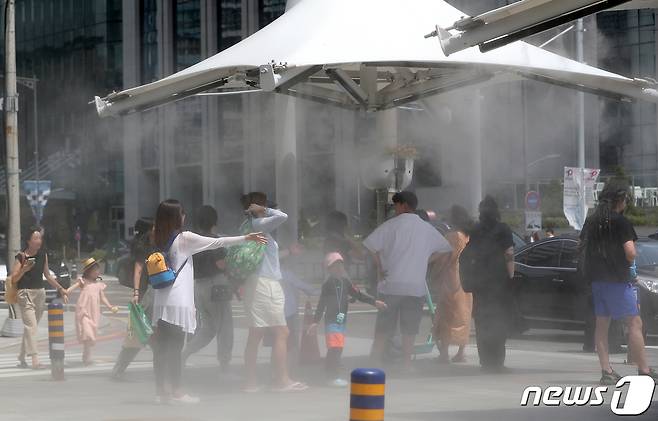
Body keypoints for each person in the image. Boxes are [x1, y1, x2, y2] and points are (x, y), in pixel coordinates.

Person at [150, 199, 266, 404]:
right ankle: (177, 391)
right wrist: (247, 237)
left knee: (162, 347)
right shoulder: (184, 238)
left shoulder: (157, 237)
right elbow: (216, 242)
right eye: (182, 213)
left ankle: (162, 391)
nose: (185, 217)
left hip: (161, 299)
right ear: (177, 217)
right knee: (175, 347)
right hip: (176, 300)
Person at [580, 180, 658, 384]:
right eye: (626, 199)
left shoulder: (592, 220)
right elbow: (630, 253)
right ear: (620, 199)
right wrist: (630, 257)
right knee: (634, 323)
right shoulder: (620, 222)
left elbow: (582, 246)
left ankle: (606, 371)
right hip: (618, 280)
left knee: (602, 325)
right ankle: (644, 370)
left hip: (596, 281)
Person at [363, 191, 452, 369]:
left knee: (384, 326)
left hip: (390, 286)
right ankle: (406, 364)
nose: (395, 208)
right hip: (415, 287)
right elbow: (446, 249)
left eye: (396, 205)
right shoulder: (426, 229)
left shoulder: (390, 226)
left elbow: (369, 245)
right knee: (409, 329)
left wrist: (380, 267)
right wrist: (426, 260)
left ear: (403, 205)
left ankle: (374, 360)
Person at [241, 192, 308, 393]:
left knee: (256, 333)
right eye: (266, 206)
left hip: (255, 283)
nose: (269, 209)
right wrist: (264, 211)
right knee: (282, 332)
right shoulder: (259, 224)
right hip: (266, 284)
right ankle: (282, 380)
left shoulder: (246, 226)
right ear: (258, 207)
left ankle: (250, 382)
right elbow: (282, 216)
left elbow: (268, 257)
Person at [308, 252, 386, 387]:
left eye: (340, 265)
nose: (339, 268)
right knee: (336, 348)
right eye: (335, 265)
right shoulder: (328, 284)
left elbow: (358, 294)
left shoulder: (345, 282)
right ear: (329, 268)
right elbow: (322, 303)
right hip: (332, 320)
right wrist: (315, 321)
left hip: (341, 319)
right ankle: (332, 376)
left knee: (336, 347)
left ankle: (329, 372)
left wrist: (374, 302)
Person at [182, 206, 234, 372]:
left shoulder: (193, 240)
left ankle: (185, 352)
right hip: (216, 285)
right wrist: (232, 269)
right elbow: (221, 264)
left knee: (208, 328)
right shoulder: (214, 240)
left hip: (198, 286)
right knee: (224, 327)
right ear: (214, 221)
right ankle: (224, 364)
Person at [468, 196, 517, 373]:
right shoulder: (503, 229)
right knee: (499, 319)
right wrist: (511, 276)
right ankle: (497, 361)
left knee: (482, 320)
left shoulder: (475, 229)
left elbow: (471, 253)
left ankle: (485, 361)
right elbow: (509, 253)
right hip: (499, 281)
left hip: (480, 281)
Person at [10, 226, 69, 369]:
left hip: (39, 294)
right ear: (28, 241)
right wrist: (24, 269)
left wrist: (60, 288)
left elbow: (47, 275)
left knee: (30, 328)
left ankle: (21, 357)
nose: (39, 241)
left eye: (40, 238)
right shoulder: (21, 257)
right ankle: (35, 359)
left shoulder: (43, 255)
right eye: (35, 238)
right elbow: (13, 278)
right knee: (32, 327)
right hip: (25, 294)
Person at [112, 218, 155, 379]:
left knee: (145, 332)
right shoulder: (142, 247)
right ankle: (119, 369)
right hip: (145, 293)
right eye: (153, 226)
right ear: (147, 229)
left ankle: (119, 369)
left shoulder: (148, 244)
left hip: (149, 291)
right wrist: (136, 294)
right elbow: (138, 271)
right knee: (138, 333)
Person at [433, 205, 473, 364]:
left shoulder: (452, 236)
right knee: (464, 315)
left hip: (451, 279)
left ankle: (444, 354)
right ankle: (461, 353)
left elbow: (443, 258)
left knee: (446, 315)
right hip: (467, 278)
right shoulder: (467, 236)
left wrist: (433, 271)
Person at [65, 258, 119, 365]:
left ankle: (86, 353)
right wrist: (65, 293)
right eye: (94, 270)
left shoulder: (98, 284)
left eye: (98, 270)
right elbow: (72, 288)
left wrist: (110, 307)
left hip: (94, 310)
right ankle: (87, 355)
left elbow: (103, 298)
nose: (97, 272)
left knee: (90, 333)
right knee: (87, 331)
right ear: (88, 271)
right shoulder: (83, 281)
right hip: (83, 309)